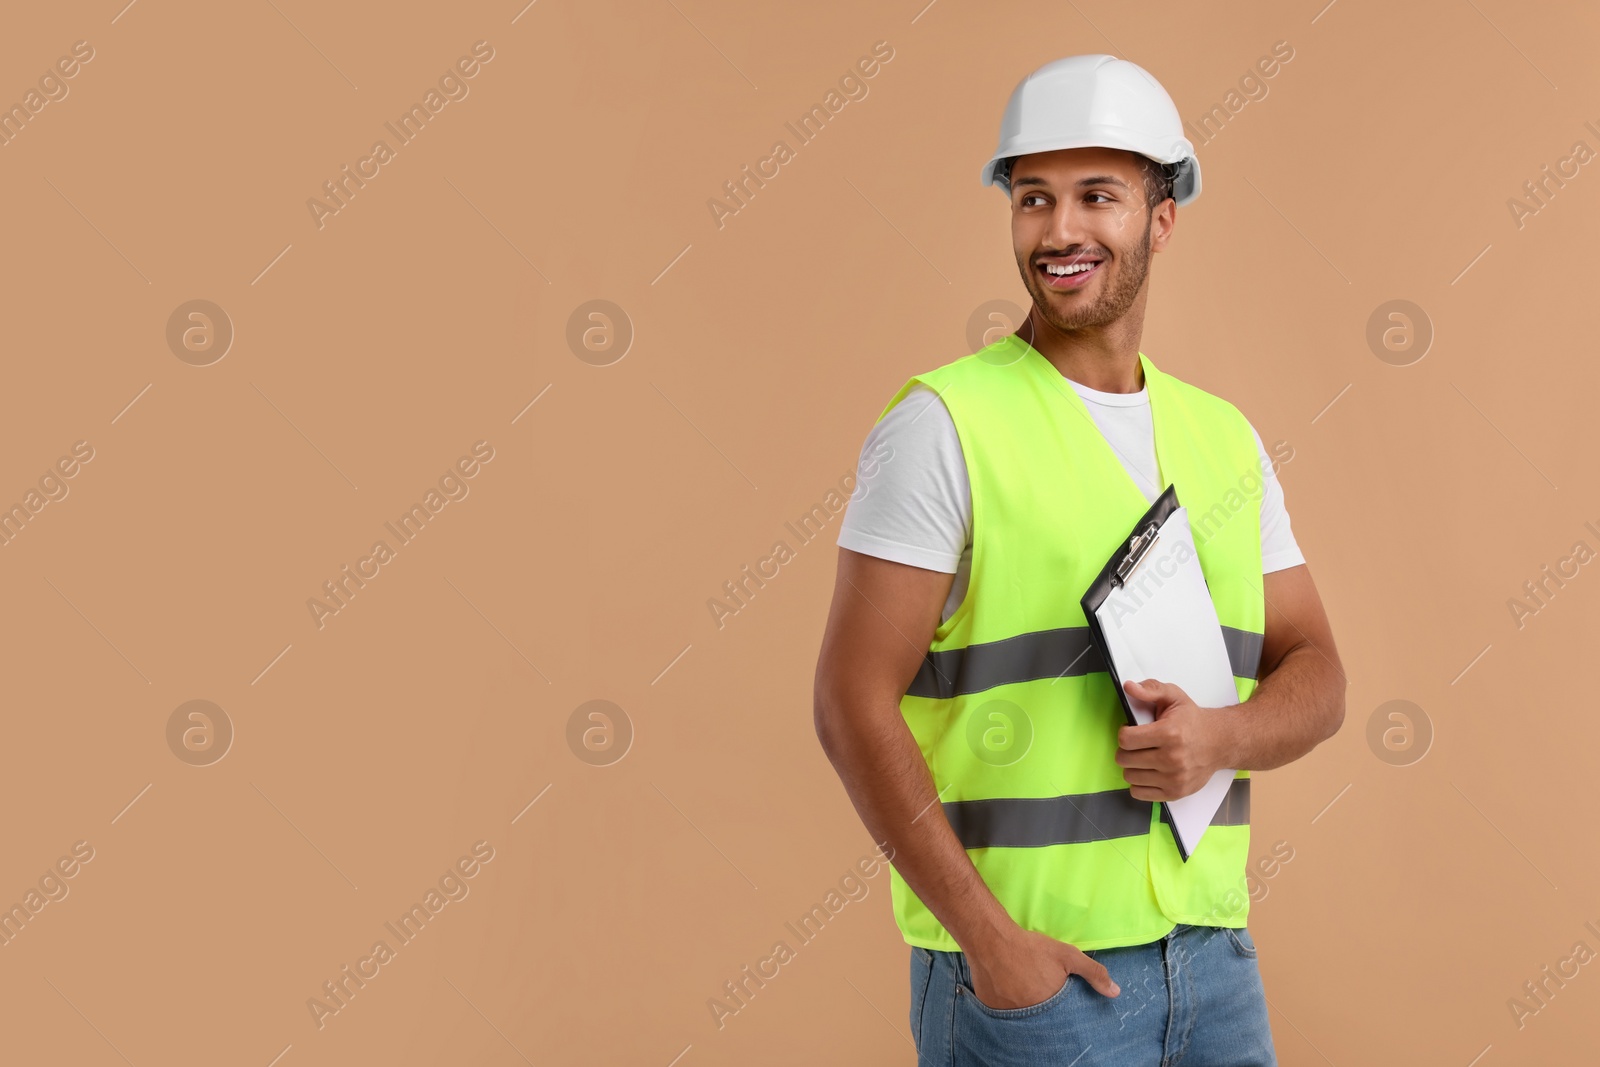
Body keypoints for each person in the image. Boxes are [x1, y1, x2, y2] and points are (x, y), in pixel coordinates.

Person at [812, 55, 1345, 1066]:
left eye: (1096, 196)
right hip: (1034, 984)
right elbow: (848, 700)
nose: (1059, 231)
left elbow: (1317, 667)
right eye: (1032, 199)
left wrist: (1224, 733)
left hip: (1212, 962)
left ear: (1162, 214)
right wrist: (992, 944)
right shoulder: (944, 425)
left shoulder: (1225, 439)